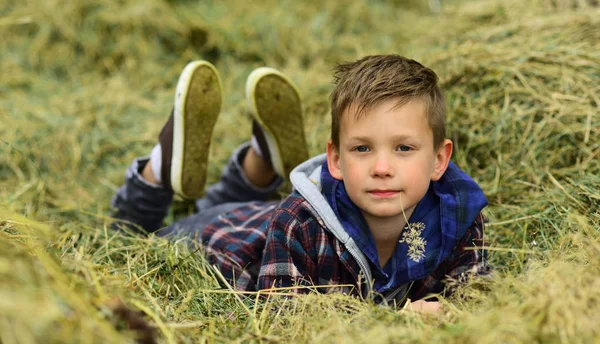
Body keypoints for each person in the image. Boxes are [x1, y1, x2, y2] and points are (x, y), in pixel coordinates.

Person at [111, 55, 489, 312]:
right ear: (335, 160)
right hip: (213, 241)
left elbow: (478, 297)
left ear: (440, 159)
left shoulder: (458, 216)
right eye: (362, 148)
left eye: (404, 148)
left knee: (221, 203)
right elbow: (285, 320)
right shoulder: (300, 222)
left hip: (256, 216)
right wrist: (393, 323)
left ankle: (261, 156)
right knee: (128, 235)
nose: (382, 167)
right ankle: (159, 167)